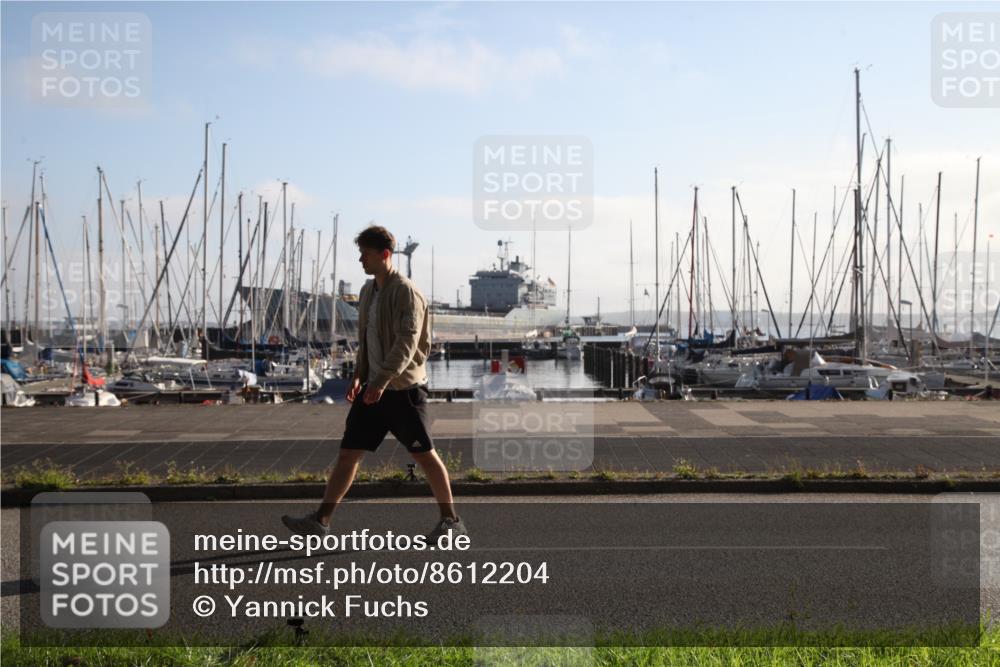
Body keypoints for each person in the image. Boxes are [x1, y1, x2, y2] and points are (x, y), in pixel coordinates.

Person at [282, 225, 466, 539]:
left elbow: (406, 345)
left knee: (423, 454)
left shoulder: (405, 291)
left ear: (384, 254)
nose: (360, 260)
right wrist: (359, 377)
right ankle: (321, 520)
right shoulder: (368, 292)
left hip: (403, 391)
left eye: (365, 254)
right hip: (373, 388)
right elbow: (367, 340)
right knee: (348, 452)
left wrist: (379, 382)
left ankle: (451, 521)